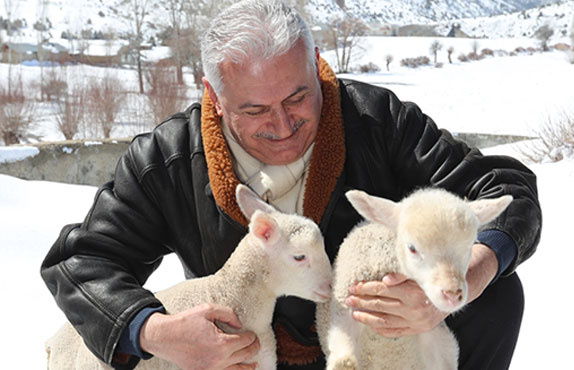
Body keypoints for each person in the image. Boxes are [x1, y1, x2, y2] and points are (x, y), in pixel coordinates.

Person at [41, 1, 542, 369]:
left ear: (316, 61)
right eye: (255, 110)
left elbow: (506, 188)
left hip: (372, 345)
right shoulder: (165, 160)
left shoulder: (377, 121)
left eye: (299, 98)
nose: (282, 125)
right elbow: (81, 262)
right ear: (214, 96)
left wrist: (468, 276)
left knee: (497, 297)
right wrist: (153, 331)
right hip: (244, 357)